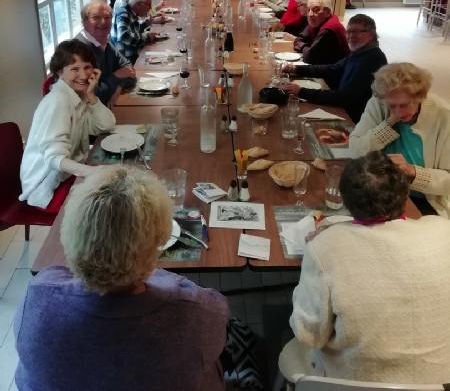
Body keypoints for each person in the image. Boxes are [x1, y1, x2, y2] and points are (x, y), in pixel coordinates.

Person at [14, 167, 229, 391]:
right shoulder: (193, 312)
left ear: (71, 233)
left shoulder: (38, 295)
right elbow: (220, 314)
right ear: (157, 245)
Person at [278, 151, 450, 384]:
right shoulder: (443, 231)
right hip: (439, 383)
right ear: (406, 194)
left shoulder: (325, 247)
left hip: (350, 383)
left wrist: (315, 256)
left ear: (345, 201)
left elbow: (309, 335)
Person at [19, 40, 115, 212]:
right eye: (74, 69)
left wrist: (91, 95)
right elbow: (54, 158)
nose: (83, 75)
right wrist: (90, 172)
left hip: (67, 175)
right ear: (59, 72)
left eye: (87, 67)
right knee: (108, 205)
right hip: (47, 187)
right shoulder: (58, 102)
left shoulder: (77, 95)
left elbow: (106, 126)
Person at [349, 62, 450, 217]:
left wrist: (413, 171)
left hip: (423, 202)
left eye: (404, 105)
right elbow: (355, 150)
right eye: (392, 106)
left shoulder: (444, 115)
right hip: (379, 192)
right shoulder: (379, 103)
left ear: (419, 97)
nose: (399, 113)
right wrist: (388, 124)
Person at [283, 14, 387, 123]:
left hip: (353, 120)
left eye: (356, 31)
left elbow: (344, 97)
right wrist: (297, 69)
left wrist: (301, 92)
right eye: (349, 31)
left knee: (293, 117)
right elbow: (332, 69)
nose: (351, 36)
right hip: (345, 111)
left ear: (371, 34)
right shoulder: (360, 52)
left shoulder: (372, 59)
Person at [75, 0, 136, 105]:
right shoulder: (78, 51)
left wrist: (119, 86)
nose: (103, 22)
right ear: (84, 21)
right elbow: (93, 95)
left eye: (107, 17)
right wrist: (116, 76)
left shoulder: (105, 43)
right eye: (96, 17)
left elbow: (129, 70)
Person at [292, 0, 349, 65]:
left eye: (316, 10)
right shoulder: (316, 23)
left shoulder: (330, 28)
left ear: (327, 12)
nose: (310, 14)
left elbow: (310, 57)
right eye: (308, 10)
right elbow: (298, 40)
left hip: (336, 70)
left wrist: (302, 47)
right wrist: (306, 47)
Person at [110, 0, 157, 65]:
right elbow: (123, 35)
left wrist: (147, 23)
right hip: (129, 62)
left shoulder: (130, 11)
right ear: (138, 4)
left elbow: (133, 29)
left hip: (136, 56)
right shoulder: (123, 13)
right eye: (149, 5)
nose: (150, 8)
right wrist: (146, 37)